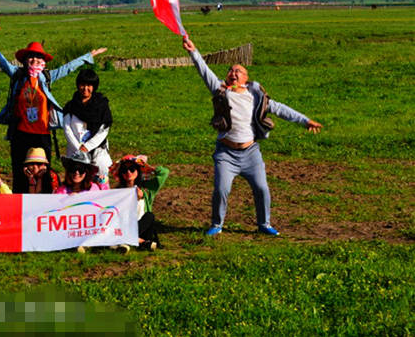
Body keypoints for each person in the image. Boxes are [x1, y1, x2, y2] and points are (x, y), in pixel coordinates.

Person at [182, 35, 323, 236]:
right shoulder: (220, 90)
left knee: (262, 189)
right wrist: (193, 51)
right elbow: (204, 71)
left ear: (246, 78)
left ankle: (264, 224)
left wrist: (305, 120)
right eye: (231, 70)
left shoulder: (255, 96)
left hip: (250, 153)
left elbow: (280, 108)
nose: (233, 73)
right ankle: (216, 224)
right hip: (225, 153)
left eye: (238, 71)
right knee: (221, 190)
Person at [0, 24, 107, 192]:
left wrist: (88, 56)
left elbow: (68, 68)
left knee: (44, 173)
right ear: (25, 60)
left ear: (43, 61)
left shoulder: (47, 76)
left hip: (42, 133)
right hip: (20, 133)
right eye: (30, 57)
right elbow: (1, 60)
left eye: (37, 57)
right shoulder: (18, 75)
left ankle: (43, 208)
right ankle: (19, 207)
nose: (34, 61)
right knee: (20, 171)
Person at [62, 68, 113, 185]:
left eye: (89, 85)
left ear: (94, 86)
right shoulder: (70, 107)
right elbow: (67, 129)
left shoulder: (102, 105)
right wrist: (79, 148)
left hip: (97, 149)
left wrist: (87, 147)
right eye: (82, 85)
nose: (85, 88)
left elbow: (104, 129)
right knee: (75, 178)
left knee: (101, 174)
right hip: (75, 149)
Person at [113, 154, 169, 251]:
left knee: (149, 216)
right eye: (124, 170)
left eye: (132, 169)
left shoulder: (146, 187)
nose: (128, 172)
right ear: (121, 174)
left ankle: (127, 241)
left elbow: (164, 173)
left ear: (138, 171)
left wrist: (150, 169)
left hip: (142, 226)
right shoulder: (118, 191)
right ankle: (140, 242)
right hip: (125, 225)